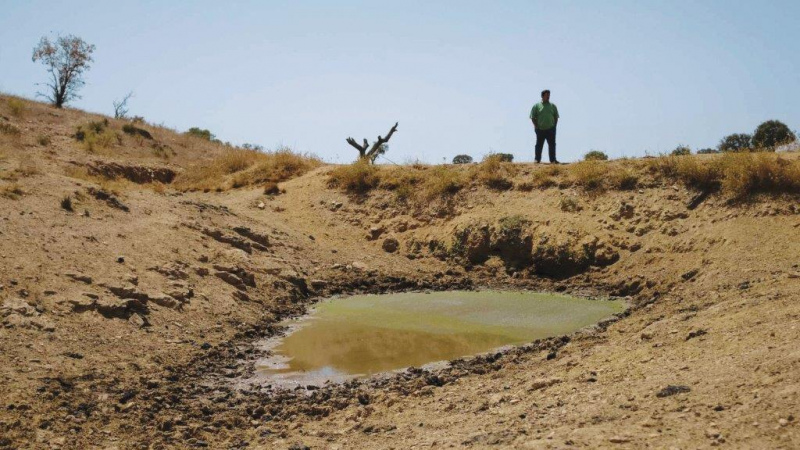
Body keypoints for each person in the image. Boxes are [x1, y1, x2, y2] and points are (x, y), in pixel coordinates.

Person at [530, 90, 560, 164]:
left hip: (551, 129)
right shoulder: (536, 106)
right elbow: (532, 117)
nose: (548, 97)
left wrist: (554, 126)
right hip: (540, 129)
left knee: (552, 145)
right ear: (542, 96)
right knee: (539, 145)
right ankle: (537, 159)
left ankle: (553, 160)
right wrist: (536, 126)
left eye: (549, 95)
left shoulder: (553, 106)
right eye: (547, 95)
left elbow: (556, 117)